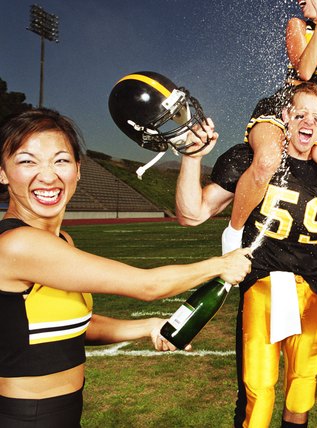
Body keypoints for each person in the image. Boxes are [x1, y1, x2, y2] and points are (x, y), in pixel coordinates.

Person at [0, 108, 252, 427]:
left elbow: (77, 327)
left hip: (60, 412)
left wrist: (148, 326)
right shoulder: (18, 244)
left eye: (60, 160)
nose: (47, 175)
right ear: (3, 172)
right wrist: (220, 265)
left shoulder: (61, 239)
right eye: (27, 161)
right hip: (24, 416)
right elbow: (145, 286)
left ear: (78, 170)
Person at [175, 83, 317, 428]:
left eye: (316, 117)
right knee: (258, 393)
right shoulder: (251, 159)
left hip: (311, 292)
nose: (307, 122)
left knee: (302, 391)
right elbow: (191, 213)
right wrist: (191, 157)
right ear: (285, 116)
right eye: (299, 113)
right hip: (262, 288)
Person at [222, 0, 317, 256]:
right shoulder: (298, 25)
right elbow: (305, 71)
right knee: (267, 161)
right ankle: (233, 233)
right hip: (284, 109)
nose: (299, 0)